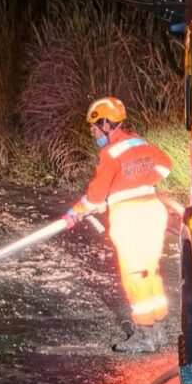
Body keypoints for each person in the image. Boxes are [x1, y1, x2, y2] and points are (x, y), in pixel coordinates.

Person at [63, 97, 172, 353]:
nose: (93, 132)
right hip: (153, 212)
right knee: (150, 271)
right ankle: (159, 329)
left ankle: (145, 334)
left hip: (130, 218)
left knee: (134, 275)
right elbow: (165, 167)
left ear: (106, 124)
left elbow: (95, 197)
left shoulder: (109, 154)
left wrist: (75, 211)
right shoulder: (140, 142)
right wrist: (139, 182)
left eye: (94, 127)